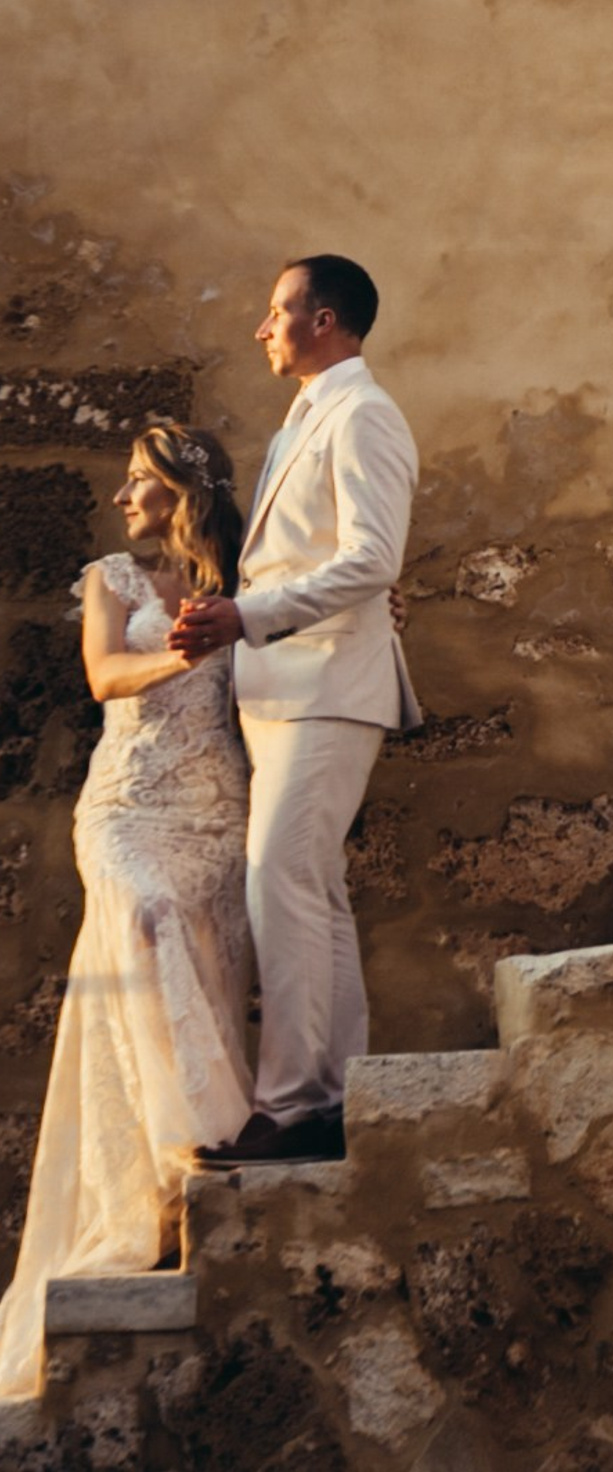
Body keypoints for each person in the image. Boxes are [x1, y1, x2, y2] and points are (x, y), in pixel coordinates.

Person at [0, 423, 255, 1397]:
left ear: (181, 492)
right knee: (146, 920)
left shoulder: (243, 578)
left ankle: (183, 1173)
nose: (122, 495)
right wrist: (185, 654)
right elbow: (106, 676)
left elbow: (302, 640)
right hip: (127, 806)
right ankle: (187, 1150)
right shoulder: (111, 579)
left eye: (139, 481)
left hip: (214, 808)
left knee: (203, 955)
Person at [172, 255, 420, 1167]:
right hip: (281, 694)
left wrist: (249, 616)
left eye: (275, 312)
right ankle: (344, 1094)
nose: (261, 328)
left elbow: (371, 558)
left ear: (322, 320)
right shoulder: (297, 426)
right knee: (312, 892)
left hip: (328, 690)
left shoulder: (365, 414)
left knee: (279, 878)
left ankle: (289, 1105)